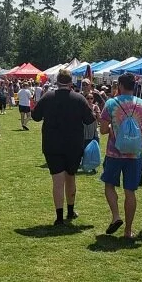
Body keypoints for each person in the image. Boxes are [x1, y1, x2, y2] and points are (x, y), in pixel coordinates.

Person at [31, 69, 96, 226]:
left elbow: (35, 116)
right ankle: (70, 211)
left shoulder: (48, 97)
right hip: (74, 145)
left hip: (52, 145)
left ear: (57, 81)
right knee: (71, 177)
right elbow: (89, 120)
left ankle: (59, 217)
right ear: (70, 82)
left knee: (57, 180)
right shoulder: (79, 99)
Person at [99, 73, 142, 239]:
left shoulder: (111, 103)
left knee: (109, 185)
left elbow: (103, 129)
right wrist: (140, 147)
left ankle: (116, 216)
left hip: (114, 153)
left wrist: (113, 128)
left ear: (120, 86)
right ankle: (128, 231)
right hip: (134, 156)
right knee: (130, 192)